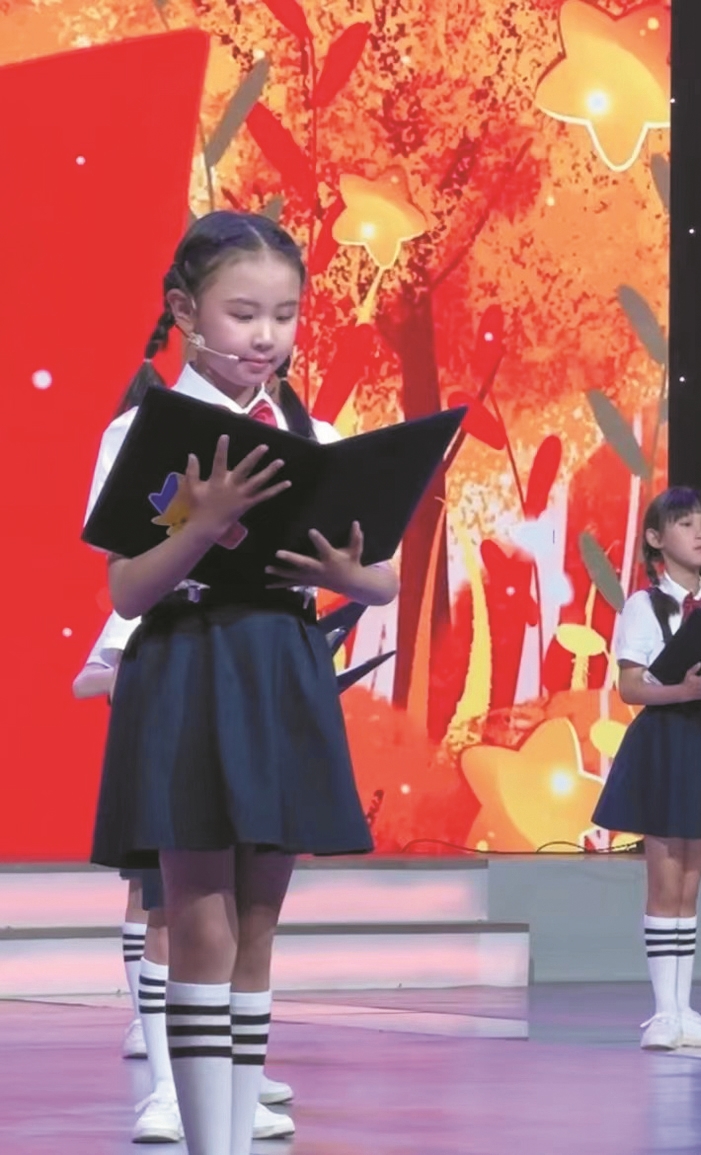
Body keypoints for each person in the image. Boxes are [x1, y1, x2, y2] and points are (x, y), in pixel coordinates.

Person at [85, 210, 396, 1155]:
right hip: (188, 661)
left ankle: (237, 1119)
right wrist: (201, 525)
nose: (266, 337)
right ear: (185, 311)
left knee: (259, 915)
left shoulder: (314, 432)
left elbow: (381, 577)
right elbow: (128, 589)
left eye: (285, 316)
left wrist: (342, 572)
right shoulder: (142, 431)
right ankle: (203, 1137)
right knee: (197, 914)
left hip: (281, 664)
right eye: (243, 314)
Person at [75, 614, 296, 1144]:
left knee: (246, 926)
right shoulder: (163, 595)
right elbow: (86, 679)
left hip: (244, 752)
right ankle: (167, 1089)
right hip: (172, 750)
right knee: (165, 916)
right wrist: (129, 675)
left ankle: (232, 1084)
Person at [591, 487, 701, 1051]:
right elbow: (630, 687)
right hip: (666, 741)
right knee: (665, 877)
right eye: (685, 524)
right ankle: (663, 1012)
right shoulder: (643, 606)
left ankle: (683, 1008)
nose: (700, 533)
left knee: (692, 881)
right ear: (656, 538)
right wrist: (683, 690)